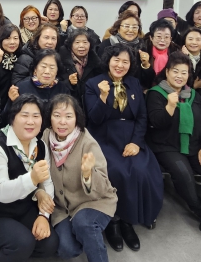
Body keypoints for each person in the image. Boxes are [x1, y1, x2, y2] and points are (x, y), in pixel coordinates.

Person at [146, 51, 201, 253]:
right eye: (175, 71)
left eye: (184, 72)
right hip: (167, 146)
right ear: (167, 72)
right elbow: (156, 123)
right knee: (184, 174)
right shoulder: (155, 94)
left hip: (194, 146)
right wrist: (170, 106)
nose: (179, 76)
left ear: (189, 75)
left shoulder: (194, 95)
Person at [84, 44, 164, 252]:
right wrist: (103, 97)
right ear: (108, 61)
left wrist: (136, 142)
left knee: (141, 169)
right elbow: (94, 119)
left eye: (125, 62)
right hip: (104, 137)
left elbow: (142, 116)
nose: (120, 65)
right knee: (116, 171)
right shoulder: (93, 83)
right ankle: (114, 221)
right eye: (116, 60)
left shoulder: (134, 83)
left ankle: (129, 220)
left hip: (131, 136)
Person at [0, 94, 59, 262]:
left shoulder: (40, 146)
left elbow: (46, 182)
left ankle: (10, 248)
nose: (30, 121)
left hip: (21, 209)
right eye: (24, 115)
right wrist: (32, 179)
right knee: (23, 243)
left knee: (49, 243)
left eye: (36, 116)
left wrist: (43, 216)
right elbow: (0, 192)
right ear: (12, 118)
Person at [42, 94, 117, 262]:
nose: (62, 122)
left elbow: (104, 187)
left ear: (77, 118)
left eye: (69, 116)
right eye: (57, 115)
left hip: (93, 201)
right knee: (66, 249)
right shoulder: (46, 136)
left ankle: (90, 233)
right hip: (62, 208)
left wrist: (88, 173)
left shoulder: (86, 142)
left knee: (84, 224)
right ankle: (88, 235)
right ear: (49, 117)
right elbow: (41, 172)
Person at [6, 49, 70, 124]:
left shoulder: (63, 89)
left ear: (57, 71)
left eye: (52, 68)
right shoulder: (21, 87)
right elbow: (7, 119)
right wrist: (12, 102)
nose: (47, 72)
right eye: (43, 66)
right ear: (35, 69)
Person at [58, 29, 102, 109]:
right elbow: (56, 84)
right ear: (70, 45)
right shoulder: (61, 60)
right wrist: (68, 82)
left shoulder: (96, 64)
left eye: (85, 42)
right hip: (67, 105)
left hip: (89, 106)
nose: (81, 46)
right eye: (77, 42)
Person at [98, 11, 146, 78]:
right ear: (118, 28)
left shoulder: (141, 46)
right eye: (126, 26)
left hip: (135, 83)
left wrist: (146, 64)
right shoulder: (107, 45)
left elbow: (146, 78)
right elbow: (99, 70)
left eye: (134, 27)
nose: (131, 30)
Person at [139, 19, 179, 89]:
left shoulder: (176, 53)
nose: (162, 40)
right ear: (151, 38)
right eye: (158, 36)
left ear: (170, 39)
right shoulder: (143, 51)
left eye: (166, 37)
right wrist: (146, 65)